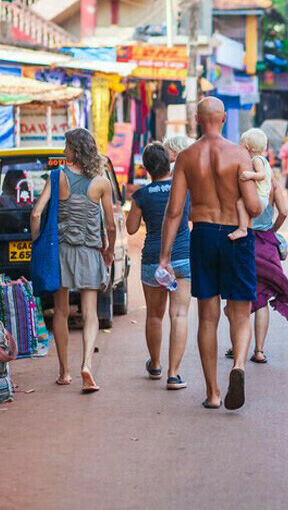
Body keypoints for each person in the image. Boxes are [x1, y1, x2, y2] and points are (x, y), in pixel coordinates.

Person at [158, 96, 262, 410]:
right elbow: (255, 208)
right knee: (240, 312)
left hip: (202, 234)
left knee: (207, 316)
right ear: (225, 117)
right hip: (235, 234)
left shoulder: (187, 157)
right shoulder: (239, 154)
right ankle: (239, 366)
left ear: (197, 120)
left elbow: (174, 212)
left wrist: (164, 257)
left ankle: (213, 394)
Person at [31, 128, 116, 394]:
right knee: (90, 313)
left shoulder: (57, 178)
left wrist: (37, 244)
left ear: (75, 149)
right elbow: (111, 226)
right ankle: (87, 364)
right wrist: (110, 250)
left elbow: (36, 214)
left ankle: (64, 372)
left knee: (62, 311)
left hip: (62, 252)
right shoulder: (102, 182)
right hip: (90, 252)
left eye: (67, 145)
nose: (63, 149)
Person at [126, 143, 192, 391]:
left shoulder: (141, 195)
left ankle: (155, 365)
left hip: (154, 261)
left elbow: (131, 229)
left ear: (146, 168)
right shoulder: (184, 190)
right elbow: (192, 215)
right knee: (180, 314)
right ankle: (174, 375)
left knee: (154, 315)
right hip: (183, 258)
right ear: (169, 163)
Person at [225, 173, 288, 363]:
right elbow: (284, 212)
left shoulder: (242, 181)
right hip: (267, 246)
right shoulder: (272, 183)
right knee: (261, 298)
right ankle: (259, 350)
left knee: (239, 299)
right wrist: (272, 230)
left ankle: (237, 346)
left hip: (244, 242)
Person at [230, 128, 272, 241]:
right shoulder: (263, 160)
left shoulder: (256, 160)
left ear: (247, 147)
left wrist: (250, 175)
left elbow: (262, 175)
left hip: (260, 197)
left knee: (240, 203)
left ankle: (243, 229)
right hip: (263, 198)